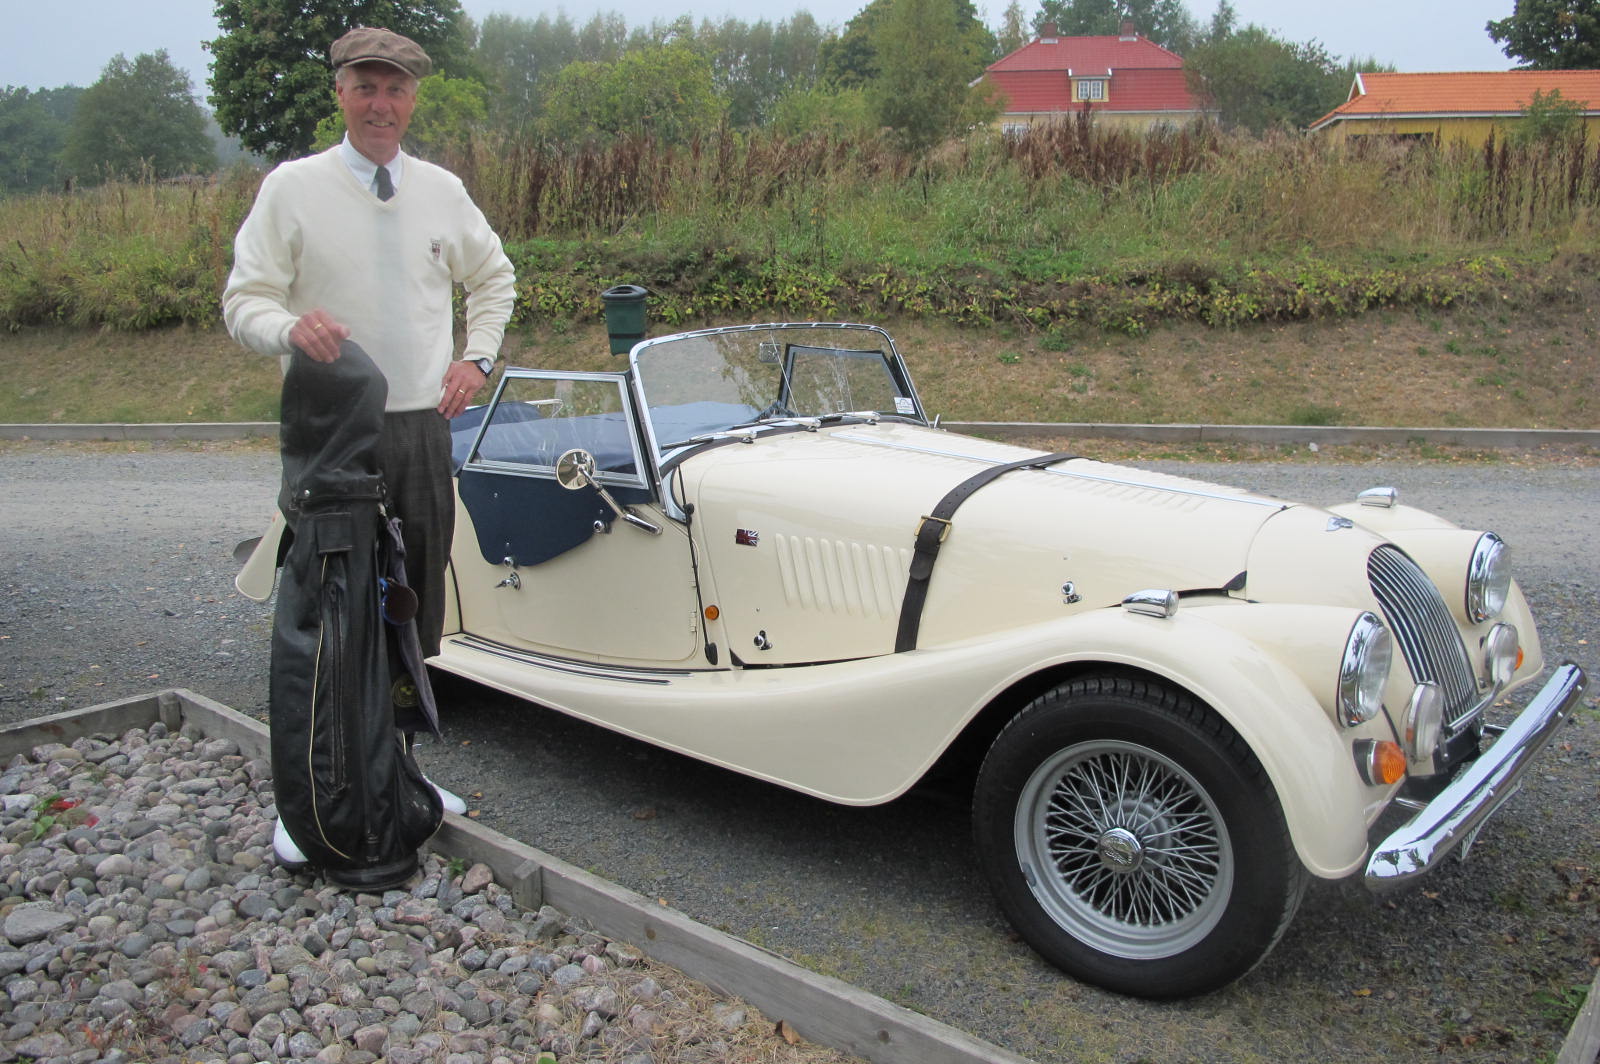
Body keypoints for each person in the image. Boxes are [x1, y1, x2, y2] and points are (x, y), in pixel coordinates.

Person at [223, 26, 517, 866]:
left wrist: (477, 357)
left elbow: (493, 278)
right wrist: (289, 325)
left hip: (421, 427)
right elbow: (245, 300)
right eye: (365, 88)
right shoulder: (294, 188)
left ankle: (396, 778)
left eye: (395, 90)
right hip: (333, 431)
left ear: (413, 99)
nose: (381, 104)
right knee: (325, 616)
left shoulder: (440, 191)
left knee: (407, 608)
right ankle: (310, 797)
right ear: (341, 94)